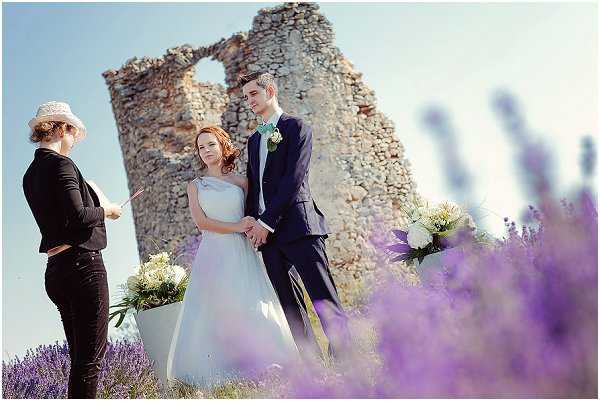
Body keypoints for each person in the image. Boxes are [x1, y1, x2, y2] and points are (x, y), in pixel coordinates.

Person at [167, 126, 298, 387]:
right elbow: (202, 222)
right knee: (217, 308)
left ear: (222, 145)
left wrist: (249, 228)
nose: (206, 151)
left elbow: (254, 214)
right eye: (201, 147)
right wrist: (237, 226)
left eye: (211, 145)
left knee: (251, 301)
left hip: (242, 250)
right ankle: (220, 369)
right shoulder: (195, 185)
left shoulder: (242, 182)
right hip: (214, 253)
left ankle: (265, 360)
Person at [239, 71, 351, 360]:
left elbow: (293, 179)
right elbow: (254, 187)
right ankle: (313, 371)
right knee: (290, 307)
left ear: (270, 90)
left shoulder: (297, 127)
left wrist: (266, 222)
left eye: (253, 93)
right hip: (267, 239)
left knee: (324, 298)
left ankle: (348, 363)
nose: (249, 100)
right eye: (245, 97)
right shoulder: (253, 141)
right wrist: (252, 221)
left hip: (300, 227)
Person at [22, 101, 122, 398]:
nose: (74, 142)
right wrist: (107, 210)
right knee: (89, 363)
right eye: (73, 134)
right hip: (83, 268)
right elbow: (78, 216)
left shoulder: (29, 174)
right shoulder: (62, 164)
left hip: (55, 271)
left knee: (80, 361)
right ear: (62, 128)